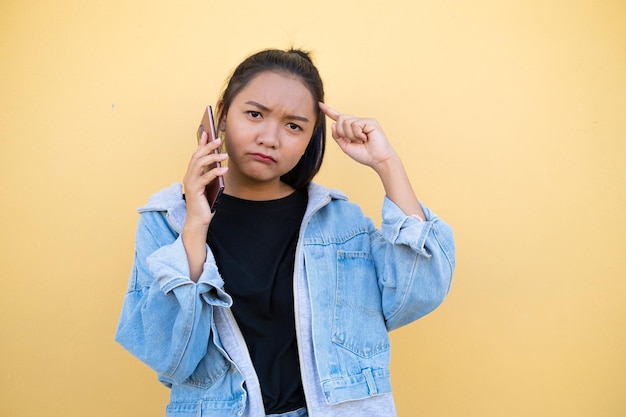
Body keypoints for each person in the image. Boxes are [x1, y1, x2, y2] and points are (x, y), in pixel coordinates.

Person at [115, 48, 455, 417]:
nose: (270, 138)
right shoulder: (165, 222)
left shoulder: (338, 221)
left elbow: (416, 293)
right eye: (255, 114)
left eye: (293, 126)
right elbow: (169, 356)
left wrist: (387, 164)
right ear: (223, 113)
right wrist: (195, 226)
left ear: (311, 138)